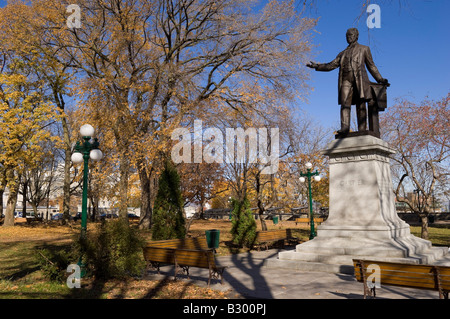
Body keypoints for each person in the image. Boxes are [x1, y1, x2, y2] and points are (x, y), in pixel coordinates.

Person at [307, 28, 389, 136]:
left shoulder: (364, 49)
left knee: (361, 103)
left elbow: (371, 66)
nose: (349, 37)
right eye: (347, 35)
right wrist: (317, 66)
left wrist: (380, 79)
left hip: (359, 80)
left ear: (356, 36)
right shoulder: (342, 53)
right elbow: (331, 65)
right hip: (346, 80)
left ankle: (362, 129)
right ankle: (344, 128)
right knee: (345, 103)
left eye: (351, 35)